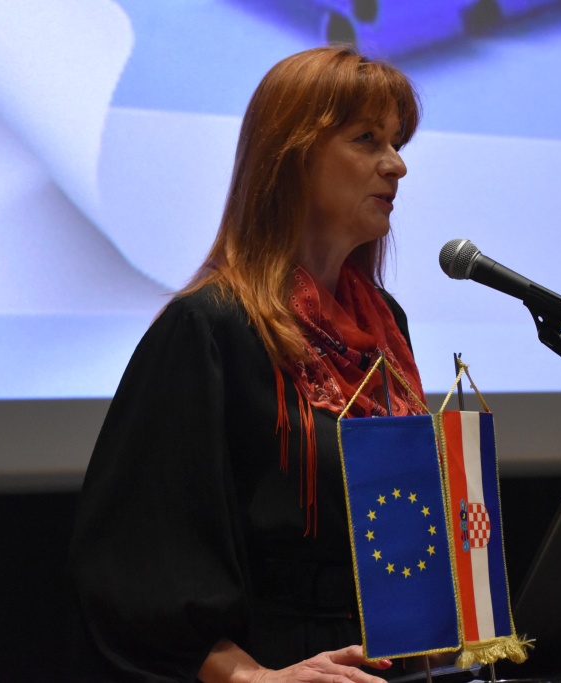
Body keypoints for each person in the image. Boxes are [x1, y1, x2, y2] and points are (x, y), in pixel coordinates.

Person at [67, 46, 428, 683]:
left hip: (400, 658)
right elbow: (141, 559)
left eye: (397, 142)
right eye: (367, 139)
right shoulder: (210, 326)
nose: (396, 164)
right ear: (293, 156)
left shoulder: (384, 323)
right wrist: (254, 677)